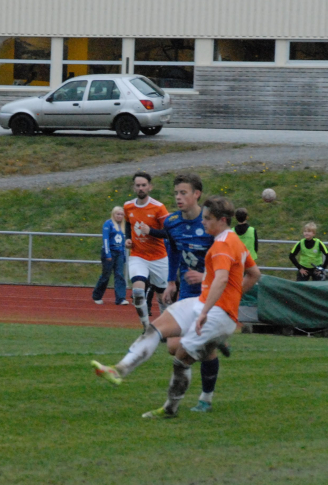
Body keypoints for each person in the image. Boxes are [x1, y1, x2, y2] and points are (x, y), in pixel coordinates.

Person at [92, 196, 262, 418]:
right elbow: (254, 274)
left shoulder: (222, 244)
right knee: (156, 327)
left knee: (181, 358)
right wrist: (232, 298)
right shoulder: (233, 241)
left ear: (222, 220)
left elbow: (221, 279)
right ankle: (119, 369)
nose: (203, 222)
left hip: (215, 313)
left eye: (207, 219)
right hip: (204, 304)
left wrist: (208, 311)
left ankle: (170, 409)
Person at [159, 173, 228, 414]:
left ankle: (206, 398)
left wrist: (206, 277)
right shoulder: (171, 222)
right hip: (188, 290)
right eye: (176, 193)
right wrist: (171, 281)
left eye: (183, 193)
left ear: (197, 194)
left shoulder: (210, 224)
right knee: (173, 346)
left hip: (211, 292)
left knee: (193, 346)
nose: (178, 197)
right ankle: (213, 341)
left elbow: (225, 262)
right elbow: (173, 251)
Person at [122, 171, 170, 328]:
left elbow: (169, 232)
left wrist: (151, 231)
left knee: (163, 297)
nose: (141, 188)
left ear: (150, 187)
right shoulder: (128, 206)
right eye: (138, 185)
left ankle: (165, 327)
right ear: (134, 187)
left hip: (158, 257)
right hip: (138, 256)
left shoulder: (158, 208)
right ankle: (146, 326)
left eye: (144, 185)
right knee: (137, 292)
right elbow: (128, 223)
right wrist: (128, 238)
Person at [93, 206, 128, 305]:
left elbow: (123, 242)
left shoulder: (122, 226)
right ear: (113, 214)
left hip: (119, 253)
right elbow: (105, 239)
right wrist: (107, 254)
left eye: (121, 214)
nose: (119, 216)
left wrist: (124, 255)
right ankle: (97, 295)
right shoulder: (108, 224)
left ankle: (120, 298)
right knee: (106, 275)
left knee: (119, 275)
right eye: (118, 214)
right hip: (110, 252)